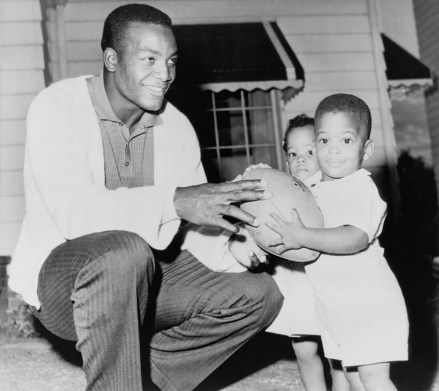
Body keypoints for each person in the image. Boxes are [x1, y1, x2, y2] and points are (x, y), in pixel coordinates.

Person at [8, 4, 283, 391]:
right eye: (149, 59)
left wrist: (235, 249)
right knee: (125, 250)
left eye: (171, 60)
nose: (165, 73)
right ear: (111, 58)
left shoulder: (177, 127)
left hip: (143, 278)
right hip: (63, 285)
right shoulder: (58, 106)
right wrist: (174, 201)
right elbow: (74, 215)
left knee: (259, 294)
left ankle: (144, 379)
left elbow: (191, 226)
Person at [266, 93, 409, 390]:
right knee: (354, 379)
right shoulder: (315, 192)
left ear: (366, 149)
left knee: (373, 378)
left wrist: (303, 235)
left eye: (345, 141)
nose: (333, 151)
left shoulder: (360, 187)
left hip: (369, 303)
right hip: (337, 307)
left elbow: (353, 237)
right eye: (324, 141)